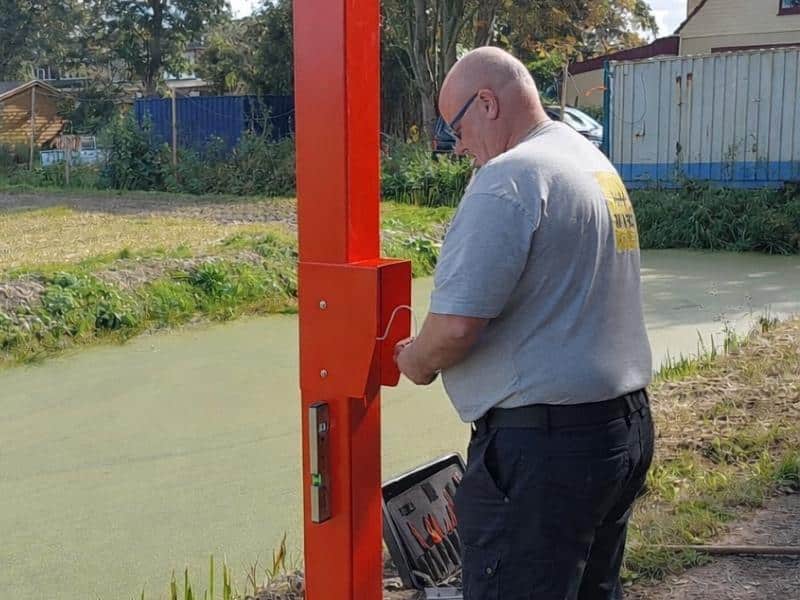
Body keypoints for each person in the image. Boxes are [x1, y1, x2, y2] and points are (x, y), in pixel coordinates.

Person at [394, 47, 655, 600]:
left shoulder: (509, 178)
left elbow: (457, 327)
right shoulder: (589, 162)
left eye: (456, 127)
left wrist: (412, 359)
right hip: (618, 432)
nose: (458, 146)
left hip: (545, 453)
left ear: (486, 102)